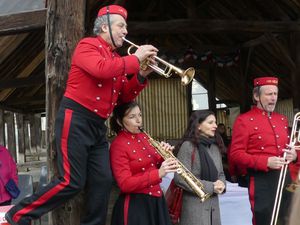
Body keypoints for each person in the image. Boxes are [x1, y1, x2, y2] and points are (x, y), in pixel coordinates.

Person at [5, 4, 158, 225]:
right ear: (104, 27)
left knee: (103, 181)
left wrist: (141, 75)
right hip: (75, 119)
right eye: (121, 25)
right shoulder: (88, 46)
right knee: (71, 181)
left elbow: (124, 96)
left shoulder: (116, 59)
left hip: (97, 126)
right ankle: (18, 215)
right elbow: (101, 69)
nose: (126, 31)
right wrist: (135, 60)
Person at [229, 76, 298, 225]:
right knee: (265, 220)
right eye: (269, 94)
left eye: (275, 94)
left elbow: (288, 146)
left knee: (288, 219)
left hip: (284, 178)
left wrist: (294, 155)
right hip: (261, 181)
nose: (273, 98)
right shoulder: (244, 120)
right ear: (256, 96)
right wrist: (265, 161)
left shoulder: (282, 119)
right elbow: (235, 154)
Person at [109, 101, 178, 225]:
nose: (138, 120)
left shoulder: (145, 137)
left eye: (139, 115)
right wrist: (158, 174)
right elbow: (125, 184)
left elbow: (155, 163)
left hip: (156, 201)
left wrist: (165, 155)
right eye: (132, 117)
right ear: (120, 121)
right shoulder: (118, 145)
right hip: (136, 205)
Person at [174, 110, 226, 225]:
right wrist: (211, 186)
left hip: (213, 207)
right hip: (194, 208)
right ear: (198, 125)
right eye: (210, 122)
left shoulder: (214, 147)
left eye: (215, 122)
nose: (215, 126)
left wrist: (222, 184)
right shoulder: (187, 146)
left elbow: (221, 174)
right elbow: (180, 178)